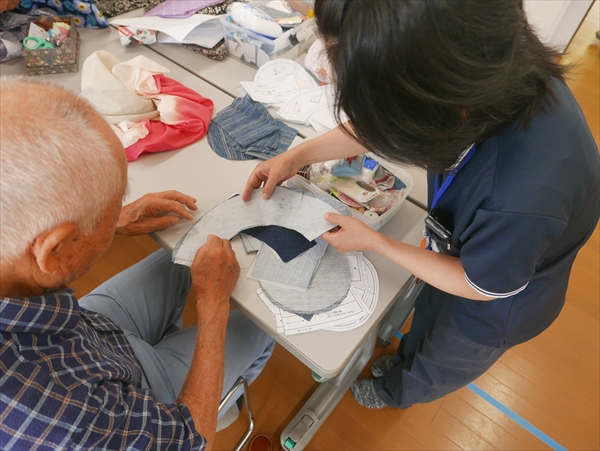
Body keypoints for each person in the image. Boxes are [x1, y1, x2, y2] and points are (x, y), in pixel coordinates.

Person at [242, 0, 599, 410]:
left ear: (435, 105)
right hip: (470, 250)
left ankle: (398, 391)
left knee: (444, 357)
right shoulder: (489, 73)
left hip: (495, 304)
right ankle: (403, 358)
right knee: (428, 314)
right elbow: (380, 121)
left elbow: (478, 284)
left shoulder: (521, 197)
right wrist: (297, 156)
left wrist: (377, 244)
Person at [0, 76, 274, 450]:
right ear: (56, 251)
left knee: (181, 257)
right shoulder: (60, 419)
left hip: (87, 332)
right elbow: (191, 442)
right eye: (112, 206)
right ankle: (221, 406)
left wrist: (110, 221)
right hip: (128, 407)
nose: (120, 213)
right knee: (262, 322)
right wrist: (212, 306)